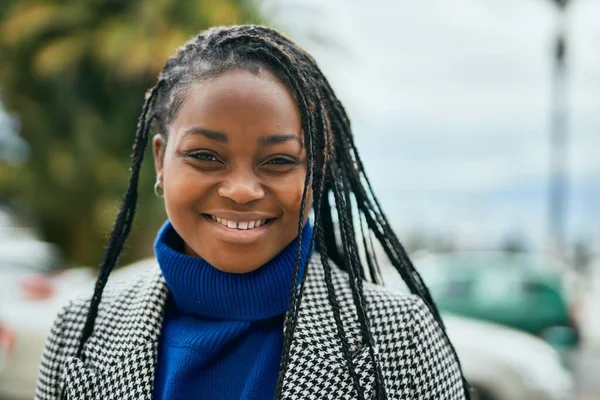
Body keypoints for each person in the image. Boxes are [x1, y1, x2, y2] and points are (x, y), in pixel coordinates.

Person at [35, 25, 470, 399]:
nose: (241, 191)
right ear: (160, 162)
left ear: (316, 175)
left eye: (279, 161)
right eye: (206, 155)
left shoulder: (399, 339)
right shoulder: (80, 332)